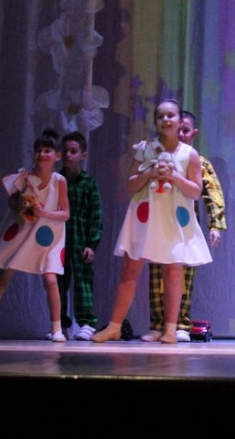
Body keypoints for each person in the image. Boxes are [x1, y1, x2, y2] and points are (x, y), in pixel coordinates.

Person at [92, 100, 212, 344]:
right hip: (145, 216)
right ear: (156, 122)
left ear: (179, 121)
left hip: (172, 218)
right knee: (130, 269)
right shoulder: (146, 149)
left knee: (173, 271)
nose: (166, 120)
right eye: (160, 116)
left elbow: (195, 191)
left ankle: (170, 329)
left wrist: (174, 176)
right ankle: (115, 326)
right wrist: (149, 173)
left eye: (170, 115)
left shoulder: (189, 154)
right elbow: (130, 185)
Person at [0, 129, 70, 341]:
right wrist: (20, 204)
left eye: (47, 150)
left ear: (57, 156)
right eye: (38, 150)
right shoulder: (24, 178)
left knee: (50, 279)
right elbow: (13, 203)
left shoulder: (59, 181)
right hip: (24, 230)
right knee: (3, 277)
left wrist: (44, 213)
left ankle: (56, 328)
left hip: (49, 234)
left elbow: (65, 213)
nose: (42, 154)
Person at [141, 110, 226, 342]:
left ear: (193, 133)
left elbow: (212, 193)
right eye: (178, 130)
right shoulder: (157, 157)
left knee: (182, 275)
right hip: (159, 222)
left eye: (185, 130)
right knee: (157, 274)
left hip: (183, 224)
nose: (180, 134)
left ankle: (179, 324)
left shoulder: (197, 160)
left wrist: (215, 224)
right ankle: (157, 325)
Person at [57, 131, 102, 341]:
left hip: (81, 237)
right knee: (58, 282)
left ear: (83, 155)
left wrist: (92, 244)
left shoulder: (88, 183)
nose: (68, 155)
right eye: (65, 151)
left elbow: (96, 215)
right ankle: (59, 324)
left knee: (83, 282)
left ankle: (86, 323)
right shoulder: (56, 181)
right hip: (58, 239)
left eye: (73, 151)